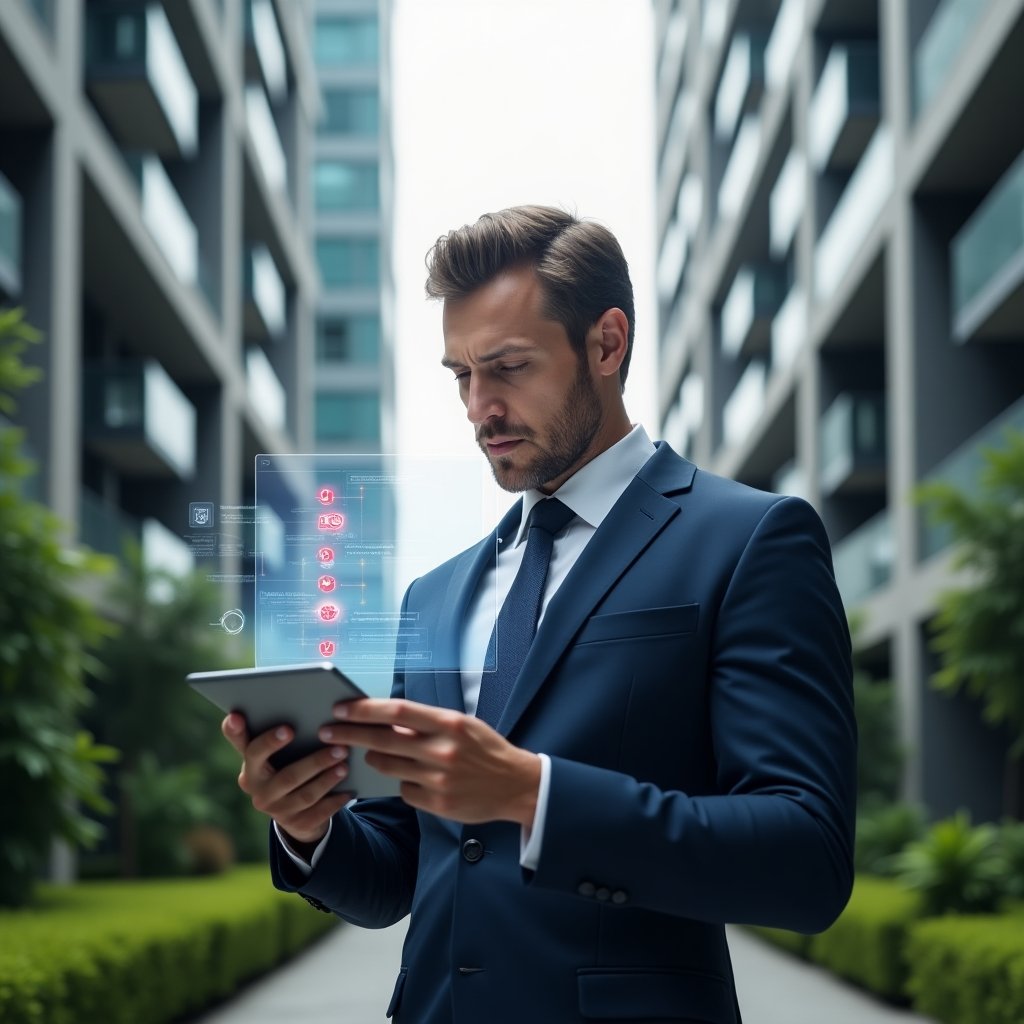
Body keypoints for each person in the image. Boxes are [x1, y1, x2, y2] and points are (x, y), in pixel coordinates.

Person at [221, 205, 857, 1024]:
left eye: (508, 367)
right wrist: (310, 829)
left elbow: (806, 859)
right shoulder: (437, 594)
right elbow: (398, 873)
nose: (480, 408)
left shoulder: (749, 540)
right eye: (460, 375)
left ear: (607, 344)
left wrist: (536, 794)